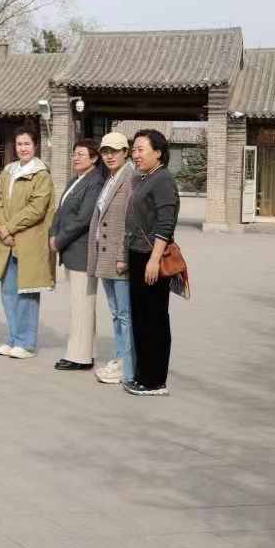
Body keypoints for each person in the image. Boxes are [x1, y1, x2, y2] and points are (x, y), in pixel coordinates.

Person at [122, 129, 180, 397]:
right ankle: (143, 375)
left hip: (151, 256)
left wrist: (154, 259)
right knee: (141, 317)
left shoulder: (163, 180)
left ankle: (155, 381)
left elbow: (165, 223)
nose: (136, 154)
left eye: (141, 149)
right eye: (134, 149)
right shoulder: (145, 178)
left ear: (158, 152)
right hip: (138, 254)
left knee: (154, 318)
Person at [0, 127, 55, 359]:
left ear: (35, 145)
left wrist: (9, 227)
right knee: (8, 291)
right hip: (6, 240)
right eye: (19, 144)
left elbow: (36, 208)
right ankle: (14, 337)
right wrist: (1, 227)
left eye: (27, 143)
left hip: (28, 241)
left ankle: (26, 342)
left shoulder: (41, 174)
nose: (23, 148)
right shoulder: (8, 171)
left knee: (27, 291)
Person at [48, 139, 107, 371]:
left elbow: (84, 218)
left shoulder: (95, 182)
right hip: (70, 249)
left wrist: (59, 239)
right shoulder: (75, 180)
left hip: (81, 250)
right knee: (78, 304)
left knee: (82, 304)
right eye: (74, 154)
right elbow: (60, 211)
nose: (75, 158)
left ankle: (79, 357)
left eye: (81, 154)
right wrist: (53, 233)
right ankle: (84, 353)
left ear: (94, 158)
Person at [86, 132, 135, 385]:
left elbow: (132, 221)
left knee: (125, 314)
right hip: (105, 257)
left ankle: (127, 363)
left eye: (114, 151)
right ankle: (120, 358)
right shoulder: (111, 178)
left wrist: (123, 255)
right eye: (105, 151)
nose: (109, 156)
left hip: (119, 258)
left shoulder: (131, 178)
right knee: (117, 313)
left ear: (125, 152)